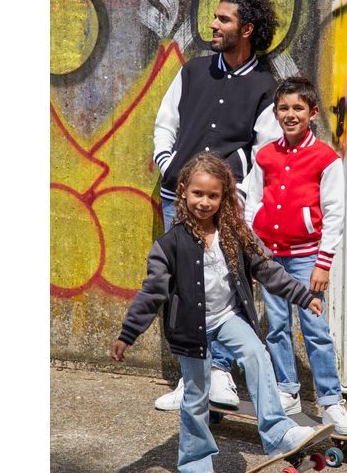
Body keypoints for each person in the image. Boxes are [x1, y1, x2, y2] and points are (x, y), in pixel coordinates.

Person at [111, 153, 322, 472]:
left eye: (213, 195)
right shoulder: (169, 245)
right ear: (183, 190)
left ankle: (278, 432)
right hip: (190, 328)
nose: (204, 202)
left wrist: (303, 296)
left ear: (224, 197)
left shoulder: (235, 233)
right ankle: (195, 462)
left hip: (227, 318)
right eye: (198, 193)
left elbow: (268, 270)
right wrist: (128, 334)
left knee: (256, 355)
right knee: (196, 396)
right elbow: (152, 293)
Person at [152, 0, 282, 410]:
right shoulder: (192, 71)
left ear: (246, 30)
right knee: (183, 289)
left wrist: (241, 197)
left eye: (223, 19)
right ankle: (192, 380)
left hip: (227, 206)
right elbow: (165, 124)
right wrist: (170, 167)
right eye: (215, 17)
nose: (213, 24)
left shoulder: (265, 86)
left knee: (227, 285)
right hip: (177, 199)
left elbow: (265, 151)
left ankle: (222, 375)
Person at [245, 77, 347, 435]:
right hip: (270, 258)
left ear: (312, 113)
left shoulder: (325, 159)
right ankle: (287, 391)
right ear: (275, 113)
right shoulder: (265, 155)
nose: (290, 114)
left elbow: (334, 213)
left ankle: (331, 402)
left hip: (307, 258)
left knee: (315, 329)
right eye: (283, 108)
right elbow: (251, 202)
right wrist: (254, 251)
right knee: (276, 326)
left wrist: (323, 263)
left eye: (298, 108)